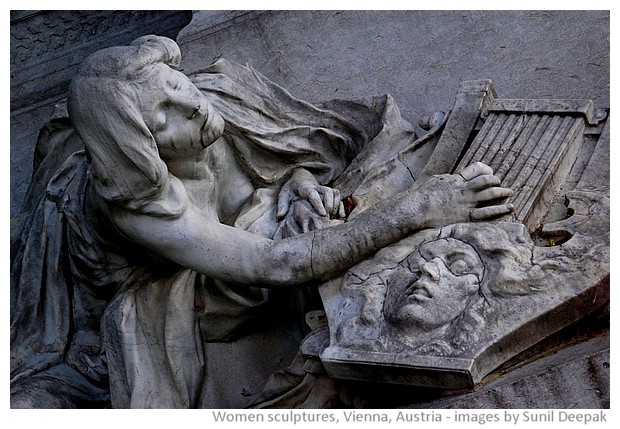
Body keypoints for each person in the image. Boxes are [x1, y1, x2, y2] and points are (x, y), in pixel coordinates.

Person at [10, 35, 513, 408]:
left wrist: (295, 179)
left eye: (176, 85)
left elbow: (278, 164)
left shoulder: (215, 98)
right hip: (126, 272)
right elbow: (277, 265)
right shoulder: (142, 207)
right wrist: (418, 209)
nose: (191, 105)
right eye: (164, 114)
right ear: (141, 148)